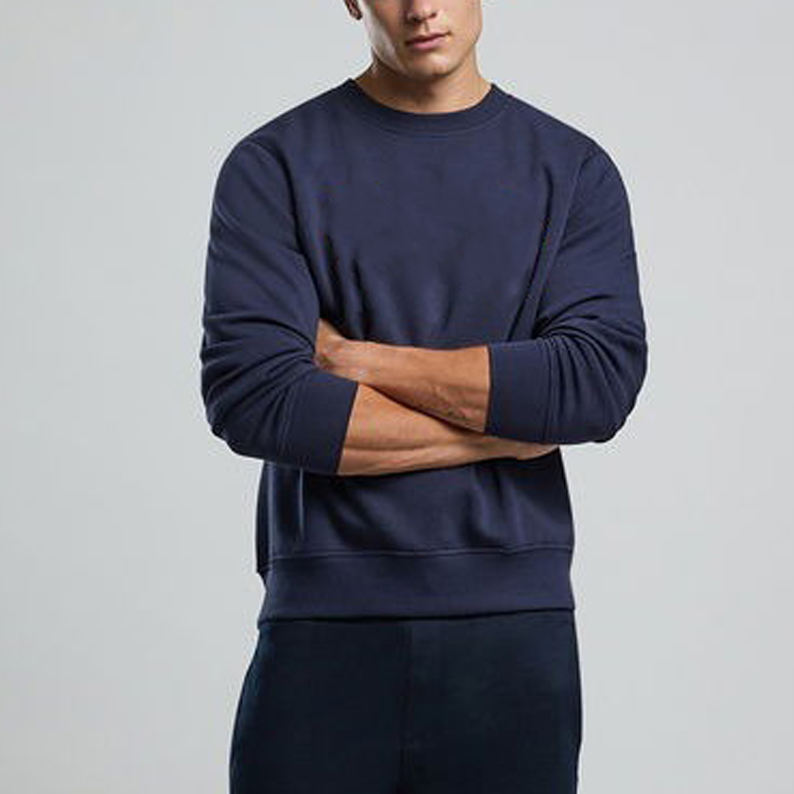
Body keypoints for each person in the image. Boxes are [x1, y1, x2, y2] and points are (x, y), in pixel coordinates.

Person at [199, 1, 648, 792]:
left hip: (514, 634)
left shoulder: (572, 169)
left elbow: (594, 384)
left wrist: (354, 360)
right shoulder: (274, 166)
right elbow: (257, 397)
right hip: (323, 626)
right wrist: (508, 427)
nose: (421, 8)